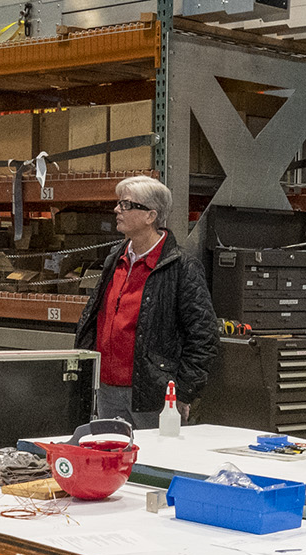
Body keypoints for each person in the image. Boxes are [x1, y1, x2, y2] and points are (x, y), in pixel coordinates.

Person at [71, 175, 218, 429]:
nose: (117, 210)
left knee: (154, 463)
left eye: (127, 204)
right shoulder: (114, 260)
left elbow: (203, 336)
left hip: (154, 394)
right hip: (107, 390)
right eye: (119, 203)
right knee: (111, 460)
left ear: (151, 216)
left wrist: (183, 392)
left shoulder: (182, 267)